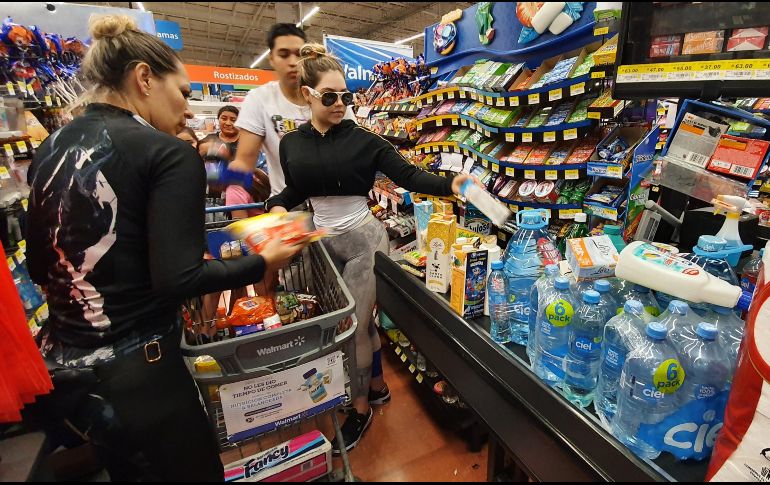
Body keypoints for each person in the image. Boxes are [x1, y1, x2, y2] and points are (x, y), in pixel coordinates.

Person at [24, 15, 307, 481]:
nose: (185, 108)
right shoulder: (166, 152)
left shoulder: (53, 146)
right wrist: (264, 260)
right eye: (182, 92)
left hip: (69, 375)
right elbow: (180, 278)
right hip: (144, 373)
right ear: (143, 78)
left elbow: (39, 265)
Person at [265, 44, 476, 453]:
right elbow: (296, 189)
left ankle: (358, 409)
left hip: (364, 242)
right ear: (307, 94)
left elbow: (410, 176)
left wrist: (451, 184)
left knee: (353, 329)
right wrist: (276, 205)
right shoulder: (292, 143)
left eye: (347, 96)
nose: (341, 103)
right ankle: (376, 386)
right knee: (361, 327)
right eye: (330, 96)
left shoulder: (365, 139)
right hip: (323, 246)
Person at [229, 23, 354, 197]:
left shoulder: (331, 95)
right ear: (271, 58)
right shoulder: (259, 99)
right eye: (283, 55)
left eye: (298, 54)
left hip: (336, 204)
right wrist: (218, 175)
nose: (293, 62)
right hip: (288, 207)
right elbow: (245, 161)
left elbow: (354, 146)